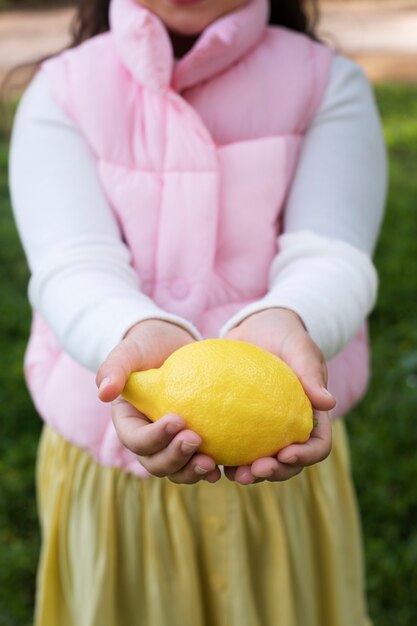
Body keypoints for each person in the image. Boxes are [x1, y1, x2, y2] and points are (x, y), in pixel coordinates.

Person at [9, 0, 387, 624]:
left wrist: (297, 316)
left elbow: (332, 251)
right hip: (114, 471)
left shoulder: (326, 83)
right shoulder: (65, 92)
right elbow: (72, 262)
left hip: (282, 461)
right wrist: (126, 336)